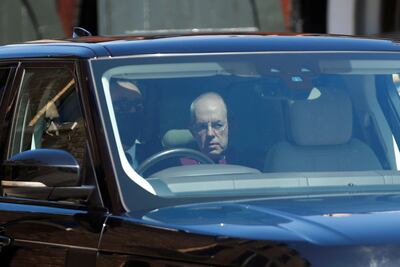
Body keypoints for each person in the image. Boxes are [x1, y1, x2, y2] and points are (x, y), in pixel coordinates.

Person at [188, 92, 229, 164]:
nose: (210, 134)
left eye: (218, 125)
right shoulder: (179, 167)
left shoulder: (246, 163)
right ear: (193, 131)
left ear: (231, 126)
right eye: (202, 127)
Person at [111, 79, 144, 168]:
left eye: (138, 104)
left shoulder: (163, 157)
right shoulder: (92, 160)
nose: (133, 111)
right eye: (124, 104)